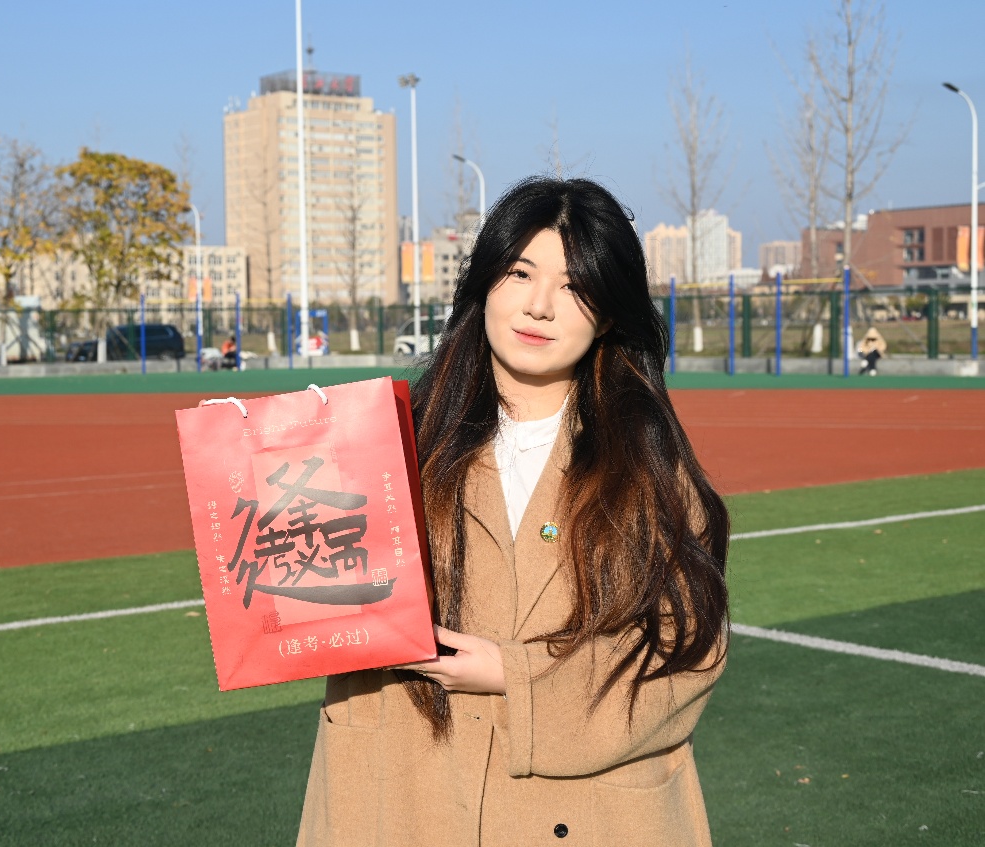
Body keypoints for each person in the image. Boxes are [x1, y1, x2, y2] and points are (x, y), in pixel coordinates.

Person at [298, 177, 730, 846]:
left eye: (574, 286)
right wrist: (257, 479)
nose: (538, 305)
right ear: (485, 283)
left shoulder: (648, 469)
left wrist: (515, 676)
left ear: (608, 313)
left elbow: (685, 650)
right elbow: (303, 605)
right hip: (404, 799)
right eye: (520, 272)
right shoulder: (384, 446)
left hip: (587, 816)